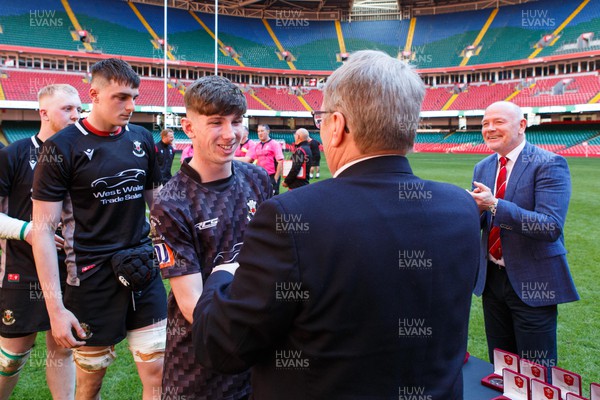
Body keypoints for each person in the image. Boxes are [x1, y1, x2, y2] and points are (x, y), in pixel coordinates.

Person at [192, 50, 481, 399]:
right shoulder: (462, 206)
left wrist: (224, 272)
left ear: (338, 125)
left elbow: (221, 347)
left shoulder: (291, 217)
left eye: (322, 118)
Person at [31, 58, 167, 400]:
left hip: (141, 270)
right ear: (94, 93)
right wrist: (56, 310)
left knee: (157, 370)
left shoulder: (141, 138)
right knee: (91, 380)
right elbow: (44, 231)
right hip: (90, 278)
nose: (131, 106)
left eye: (134, 97)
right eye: (121, 97)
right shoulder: (60, 148)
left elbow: (160, 206)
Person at [151, 75, 271, 399]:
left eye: (236, 121)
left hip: (259, 355)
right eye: (216, 122)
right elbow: (193, 306)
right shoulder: (171, 203)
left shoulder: (259, 179)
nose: (230, 134)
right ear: (189, 128)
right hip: (200, 363)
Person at [468, 101, 579, 372]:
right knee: (502, 365)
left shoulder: (549, 163)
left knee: (535, 372)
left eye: (498, 122)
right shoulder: (482, 167)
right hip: (492, 281)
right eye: (484, 123)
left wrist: (494, 204)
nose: (489, 129)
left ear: (521, 125)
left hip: (533, 282)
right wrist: (470, 209)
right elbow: (483, 219)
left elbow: (550, 227)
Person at [0, 84, 80, 400]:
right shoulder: (13, 155)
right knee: (13, 356)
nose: (76, 115)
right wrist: (28, 232)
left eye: (78, 108)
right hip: (23, 270)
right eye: (67, 109)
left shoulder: (83, 155)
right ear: (43, 112)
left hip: (73, 270)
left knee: (63, 348)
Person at [245, 124, 284, 195]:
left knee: (272, 197)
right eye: (258, 131)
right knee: (261, 196)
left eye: (262, 131)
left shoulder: (275, 144)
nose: (260, 133)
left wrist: (276, 177)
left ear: (268, 131)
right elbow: (253, 160)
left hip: (271, 176)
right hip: (260, 176)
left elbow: (280, 162)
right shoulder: (257, 145)